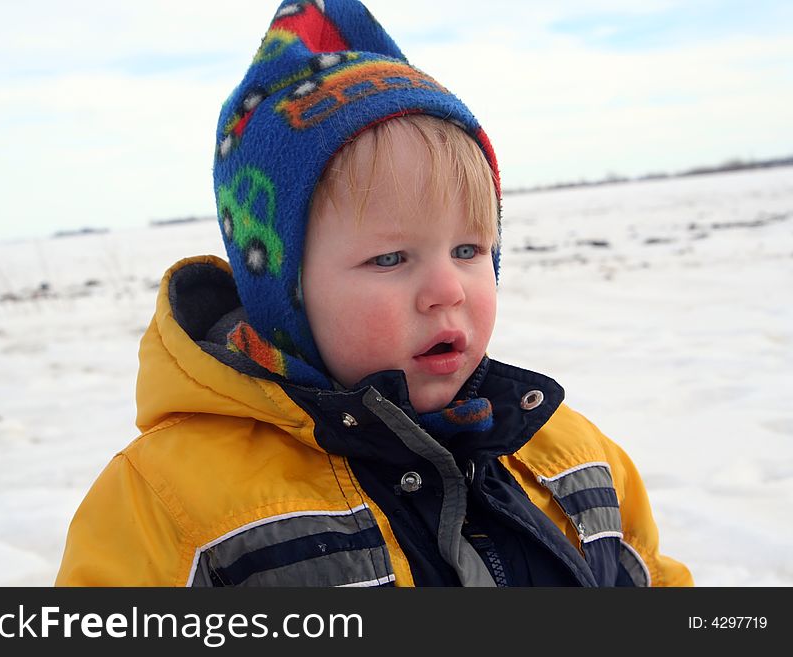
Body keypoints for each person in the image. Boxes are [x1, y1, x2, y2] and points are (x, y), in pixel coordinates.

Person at [56, 0, 692, 587]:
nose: (446, 290)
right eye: (390, 258)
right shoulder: (175, 505)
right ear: (286, 291)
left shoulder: (572, 457)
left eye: (469, 250)